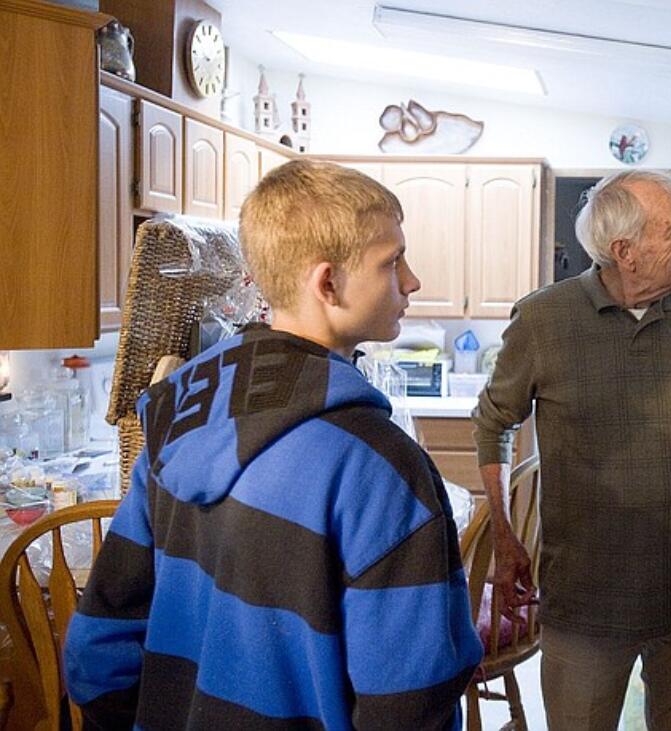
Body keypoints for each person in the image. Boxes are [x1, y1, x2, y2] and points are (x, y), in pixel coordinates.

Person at [64, 160, 483, 729]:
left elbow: (99, 647)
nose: (411, 281)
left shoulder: (175, 417)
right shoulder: (379, 466)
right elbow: (412, 701)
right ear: (327, 282)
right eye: (392, 262)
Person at [472, 170, 671, 730]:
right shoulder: (543, 319)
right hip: (586, 601)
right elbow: (494, 422)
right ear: (626, 251)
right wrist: (504, 534)